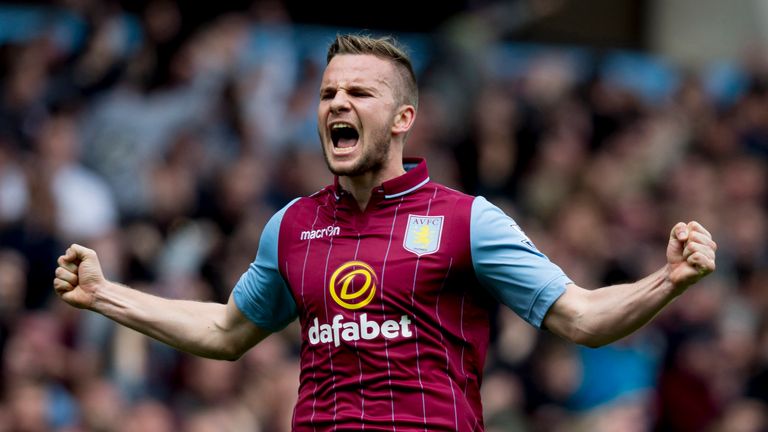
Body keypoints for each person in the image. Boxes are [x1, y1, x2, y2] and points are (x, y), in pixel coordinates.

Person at [53, 34, 717, 431]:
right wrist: (106, 294)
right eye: (327, 94)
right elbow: (226, 333)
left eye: (359, 93)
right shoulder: (291, 226)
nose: (338, 103)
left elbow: (580, 316)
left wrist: (668, 280)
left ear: (403, 117)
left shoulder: (468, 221)